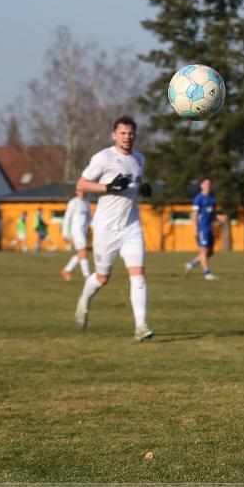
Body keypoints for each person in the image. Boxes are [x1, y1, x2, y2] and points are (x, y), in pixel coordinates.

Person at [73, 116, 155, 342]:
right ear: (114, 135)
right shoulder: (103, 157)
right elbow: (81, 185)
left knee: (138, 275)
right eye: (123, 133)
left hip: (131, 226)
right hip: (106, 228)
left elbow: (133, 184)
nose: (127, 137)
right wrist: (107, 187)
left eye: (131, 133)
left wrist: (142, 189)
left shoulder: (139, 159)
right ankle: (84, 300)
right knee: (102, 278)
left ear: (135, 135)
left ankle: (141, 326)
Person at [184, 177, 228, 280]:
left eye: (209, 184)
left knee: (210, 252)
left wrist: (219, 217)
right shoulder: (198, 198)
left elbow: (212, 213)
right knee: (203, 251)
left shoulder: (212, 197)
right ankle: (207, 273)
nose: (208, 185)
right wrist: (195, 229)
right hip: (201, 228)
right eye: (206, 184)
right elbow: (194, 214)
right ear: (201, 185)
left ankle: (192, 263)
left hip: (209, 227)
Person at [60, 189, 92, 280]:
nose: (82, 192)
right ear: (76, 192)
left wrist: (96, 228)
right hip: (76, 231)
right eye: (80, 191)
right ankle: (86, 275)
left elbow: (89, 218)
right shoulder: (73, 202)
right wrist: (65, 233)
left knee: (81, 252)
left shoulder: (86, 202)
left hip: (84, 231)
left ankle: (66, 270)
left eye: (83, 191)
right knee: (83, 251)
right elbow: (67, 218)